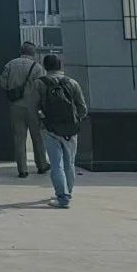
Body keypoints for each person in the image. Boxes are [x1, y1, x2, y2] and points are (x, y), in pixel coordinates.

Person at [33, 54, 88, 209]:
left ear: (44, 66)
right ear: (61, 66)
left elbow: (34, 107)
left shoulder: (39, 83)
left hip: (50, 129)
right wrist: (75, 120)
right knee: (69, 163)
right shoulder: (72, 83)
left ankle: (62, 197)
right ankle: (68, 192)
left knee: (56, 164)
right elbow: (83, 108)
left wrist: (41, 123)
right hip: (70, 130)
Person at [0, 41, 47, 178]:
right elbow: (42, 88)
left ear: (21, 51)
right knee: (37, 137)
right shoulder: (37, 67)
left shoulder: (10, 64)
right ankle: (41, 165)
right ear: (33, 53)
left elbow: (3, 83)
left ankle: (22, 169)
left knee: (19, 138)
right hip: (33, 107)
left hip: (15, 106)